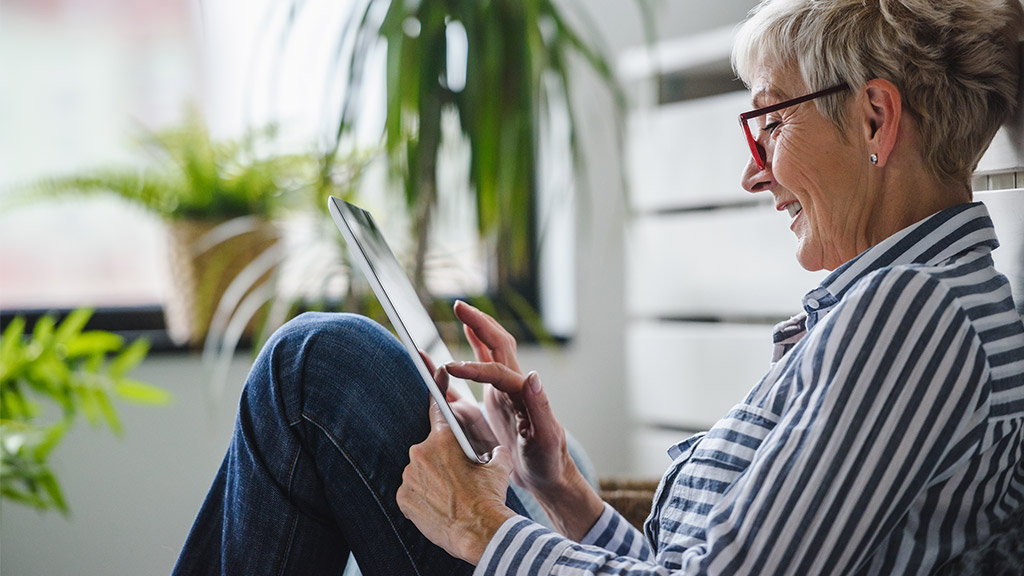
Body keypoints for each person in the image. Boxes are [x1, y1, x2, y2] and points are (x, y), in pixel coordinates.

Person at [173, 0, 1024, 574]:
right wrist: (557, 487)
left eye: (768, 120)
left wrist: (483, 528)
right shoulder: (901, 303)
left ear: (875, 118)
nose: (751, 172)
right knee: (330, 367)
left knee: (316, 365)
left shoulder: (919, 315)